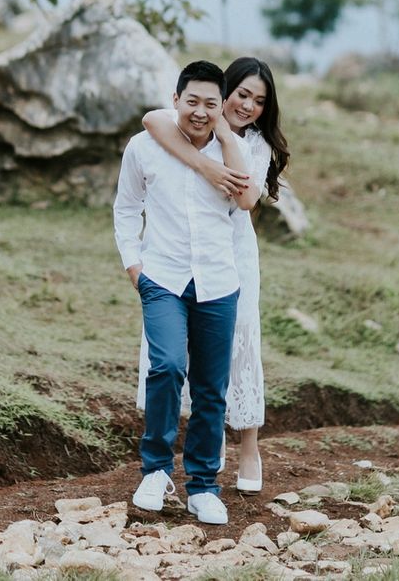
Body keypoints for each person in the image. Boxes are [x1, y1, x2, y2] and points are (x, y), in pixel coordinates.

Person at [139, 56, 289, 492]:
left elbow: (244, 201)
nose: (247, 106)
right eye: (242, 94)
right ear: (225, 92)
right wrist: (206, 162)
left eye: (259, 101)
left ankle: (249, 447)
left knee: (241, 341)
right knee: (183, 347)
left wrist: (226, 137)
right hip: (182, 253)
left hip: (234, 253)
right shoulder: (192, 120)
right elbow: (152, 118)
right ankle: (208, 441)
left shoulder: (257, 145)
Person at [113, 61, 250, 525]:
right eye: (192, 101)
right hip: (163, 278)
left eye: (211, 103)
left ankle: (204, 485)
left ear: (222, 107)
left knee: (212, 387)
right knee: (168, 365)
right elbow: (127, 207)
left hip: (217, 280)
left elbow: (248, 200)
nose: (200, 111)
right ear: (175, 100)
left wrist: (227, 137)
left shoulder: (233, 151)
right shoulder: (145, 147)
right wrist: (135, 266)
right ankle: (155, 470)